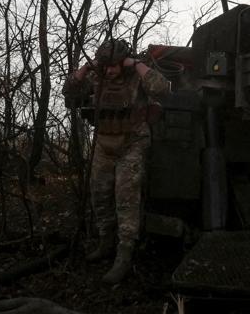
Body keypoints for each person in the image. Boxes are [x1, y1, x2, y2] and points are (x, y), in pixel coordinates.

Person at [63, 39, 170, 283]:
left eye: (114, 65)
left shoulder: (136, 78)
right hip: (104, 144)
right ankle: (106, 242)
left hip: (132, 143)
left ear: (123, 63)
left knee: (126, 199)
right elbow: (69, 93)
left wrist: (138, 65)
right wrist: (85, 70)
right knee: (99, 195)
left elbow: (163, 89)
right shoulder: (98, 79)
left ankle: (124, 254)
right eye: (106, 66)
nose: (110, 70)